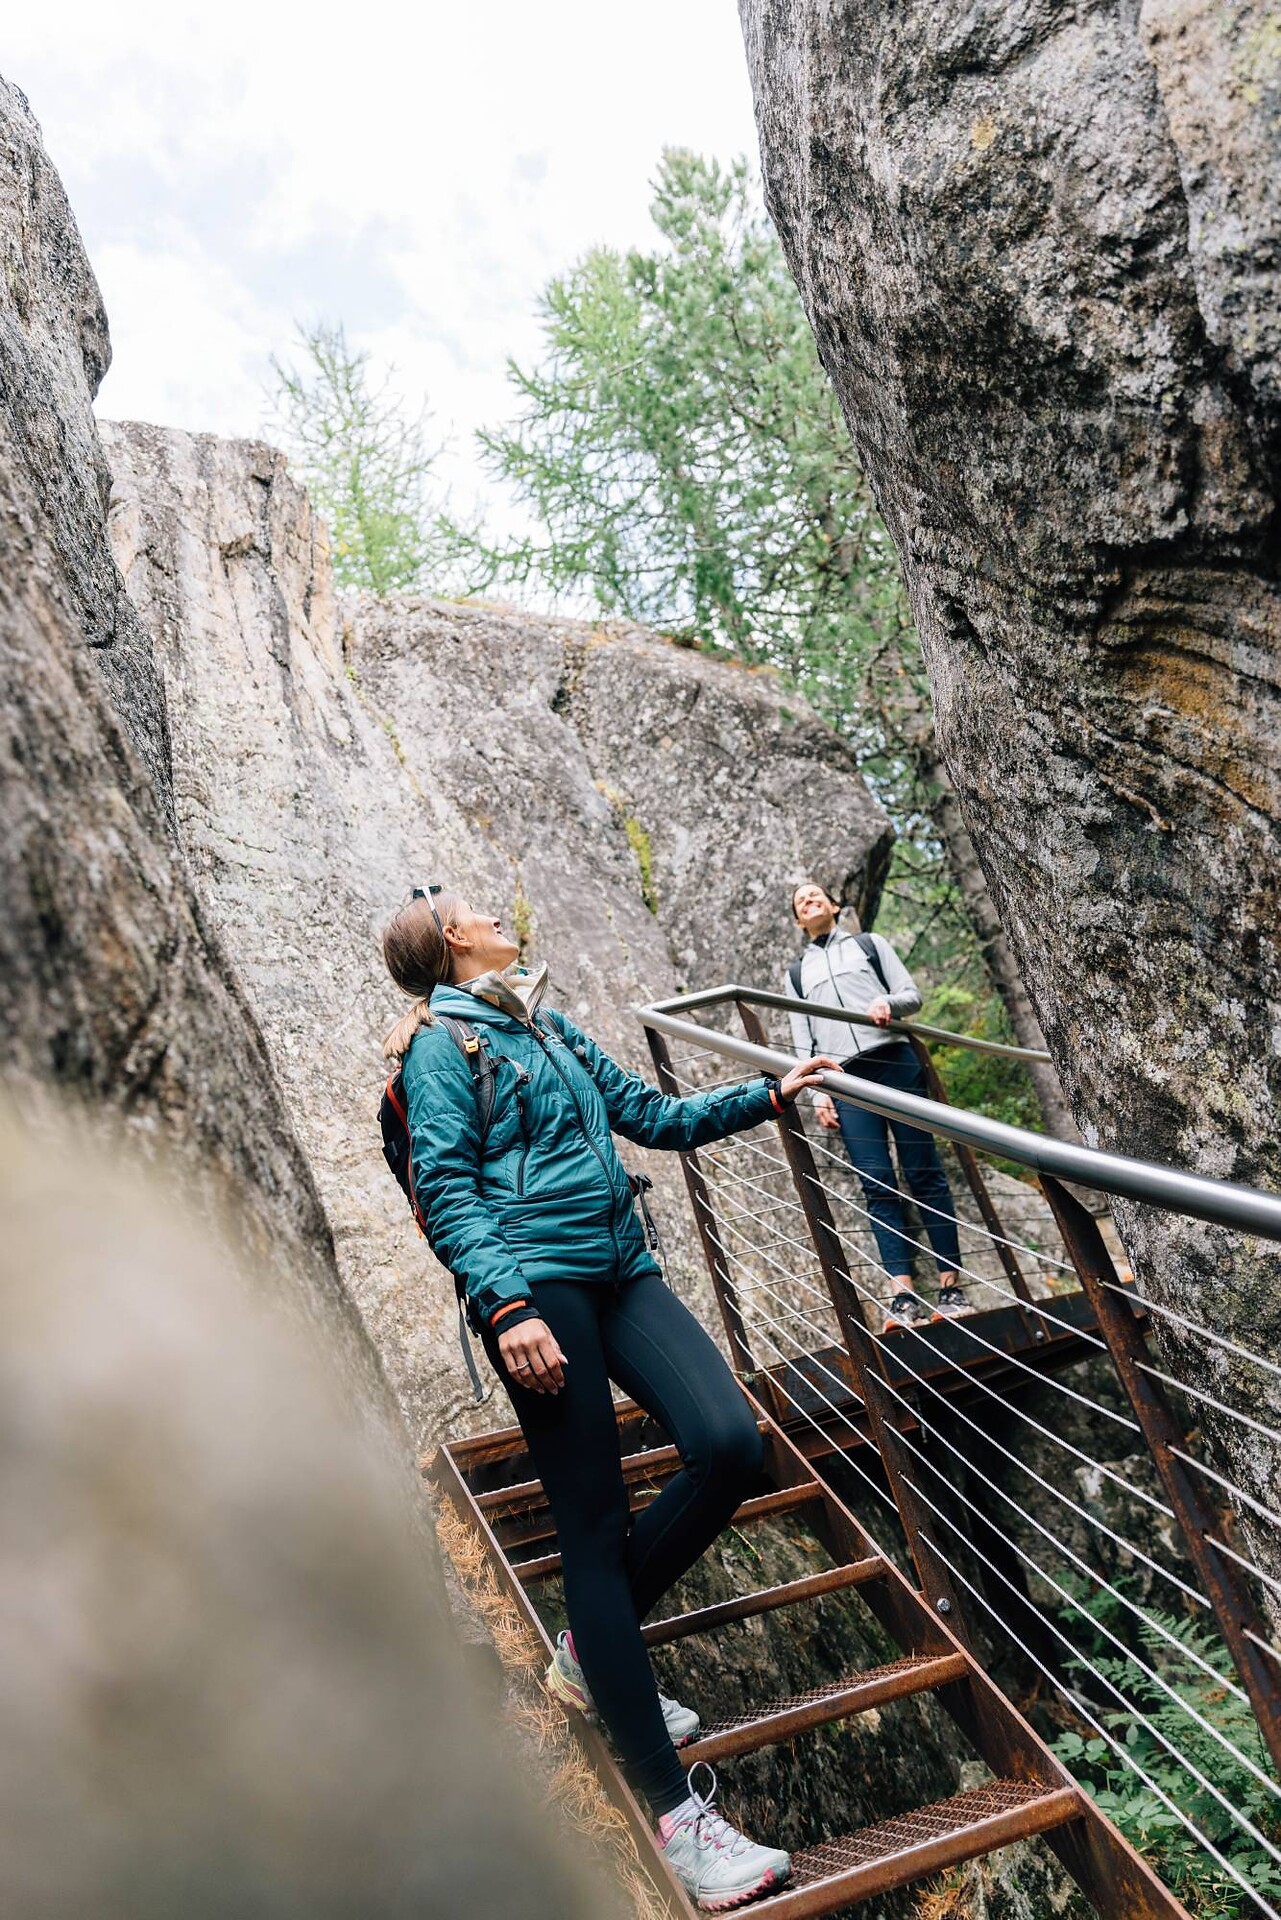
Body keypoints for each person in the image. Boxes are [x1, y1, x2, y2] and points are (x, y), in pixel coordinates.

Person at [382, 886, 840, 1912]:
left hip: (622, 1267)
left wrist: (767, 1095)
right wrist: (505, 1305)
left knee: (727, 1443)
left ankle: (595, 1647)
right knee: (593, 1527)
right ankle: (680, 1824)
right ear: (453, 938)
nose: (497, 911)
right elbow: (445, 1186)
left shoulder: (544, 1024)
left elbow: (652, 1117)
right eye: (476, 907)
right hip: (536, 1287)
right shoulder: (442, 1048)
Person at [786, 881, 973, 1333]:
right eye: (801, 901)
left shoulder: (868, 945)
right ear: (798, 921)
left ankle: (951, 1290)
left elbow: (911, 995)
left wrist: (886, 1002)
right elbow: (801, 1038)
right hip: (846, 1080)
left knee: (923, 1171)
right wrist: (817, 1092)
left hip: (894, 1062)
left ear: (834, 905)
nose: (809, 901)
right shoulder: (797, 973)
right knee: (876, 1183)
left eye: (816, 895)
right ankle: (903, 1298)